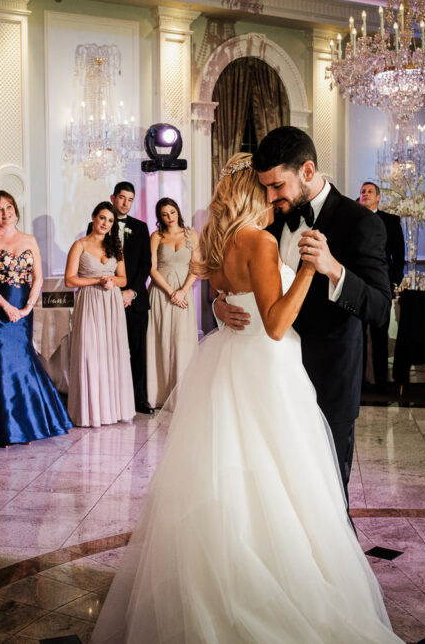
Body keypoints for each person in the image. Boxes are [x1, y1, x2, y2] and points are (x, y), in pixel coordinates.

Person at [91, 153, 400, 643]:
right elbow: (275, 324)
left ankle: (229, 582)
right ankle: (287, 591)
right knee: (286, 479)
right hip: (268, 366)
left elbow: (229, 294)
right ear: (253, 192)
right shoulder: (256, 238)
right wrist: (304, 268)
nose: (275, 197)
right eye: (267, 190)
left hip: (231, 364)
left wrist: (220, 301)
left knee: (236, 479)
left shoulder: (221, 238)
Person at [215, 127, 392, 493]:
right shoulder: (271, 218)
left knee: (327, 500)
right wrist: (220, 305)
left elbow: (380, 308)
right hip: (271, 379)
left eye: (277, 186)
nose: (269, 196)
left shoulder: (360, 222)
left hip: (328, 380)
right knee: (275, 495)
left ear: (307, 171)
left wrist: (334, 269)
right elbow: (239, 280)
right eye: (264, 187)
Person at [0, 191, 71, 445]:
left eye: (9, 207)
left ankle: (28, 422)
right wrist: (6, 307)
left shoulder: (29, 240)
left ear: (15, 209)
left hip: (24, 308)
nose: (5, 212)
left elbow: (38, 278)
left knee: (23, 355)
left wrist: (27, 307)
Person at [67, 202, 135, 427]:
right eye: (102, 218)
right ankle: (91, 412)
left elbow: (124, 279)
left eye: (110, 220)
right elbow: (70, 279)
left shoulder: (117, 246)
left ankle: (113, 409)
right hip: (89, 301)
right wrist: (99, 279)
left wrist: (113, 280)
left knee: (111, 354)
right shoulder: (80, 245)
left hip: (112, 304)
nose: (106, 223)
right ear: (94, 217)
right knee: (90, 353)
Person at [94, 182, 152, 414]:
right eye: (122, 198)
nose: (126, 203)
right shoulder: (97, 225)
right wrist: (115, 292)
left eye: (130, 199)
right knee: (107, 350)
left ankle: (139, 399)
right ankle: (110, 399)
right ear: (113, 197)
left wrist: (131, 292)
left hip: (135, 300)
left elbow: (145, 264)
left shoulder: (140, 227)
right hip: (107, 298)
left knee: (137, 351)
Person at [145, 198, 200, 408]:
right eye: (165, 214)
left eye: (172, 212)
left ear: (178, 211)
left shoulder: (191, 234)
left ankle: (182, 395)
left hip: (183, 295)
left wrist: (183, 291)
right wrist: (170, 292)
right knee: (161, 340)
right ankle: (159, 395)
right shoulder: (156, 236)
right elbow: (151, 268)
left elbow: (197, 265)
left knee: (182, 340)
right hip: (161, 292)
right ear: (160, 217)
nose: (170, 217)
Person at [358, 180, 403, 389]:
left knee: (379, 333)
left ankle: (381, 380)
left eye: (369, 191)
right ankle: (359, 380)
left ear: (378, 197)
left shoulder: (392, 221)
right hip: (357, 283)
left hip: (382, 284)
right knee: (357, 334)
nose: (365, 194)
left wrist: (393, 282)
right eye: (362, 191)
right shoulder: (353, 219)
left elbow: (399, 257)